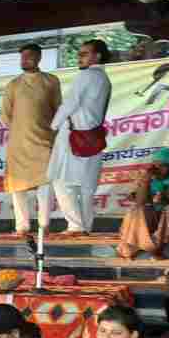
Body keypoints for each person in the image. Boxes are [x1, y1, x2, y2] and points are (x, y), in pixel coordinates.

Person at [47, 39, 112, 236]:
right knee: (86, 187)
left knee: (62, 182)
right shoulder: (104, 78)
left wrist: (53, 127)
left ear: (97, 56)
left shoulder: (87, 75)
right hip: (93, 136)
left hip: (76, 135)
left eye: (84, 53)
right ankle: (85, 227)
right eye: (80, 53)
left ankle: (75, 226)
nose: (79, 57)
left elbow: (70, 104)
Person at [1, 44, 62, 237]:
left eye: (28, 56)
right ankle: (22, 227)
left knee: (44, 185)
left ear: (39, 58)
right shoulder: (13, 84)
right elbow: (6, 116)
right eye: (22, 57)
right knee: (17, 187)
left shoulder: (51, 81)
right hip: (18, 144)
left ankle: (44, 225)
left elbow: (58, 110)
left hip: (44, 140)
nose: (24, 60)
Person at [117, 147, 169, 259]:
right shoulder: (151, 178)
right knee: (136, 209)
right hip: (155, 219)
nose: (157, 169)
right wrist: (146, 181)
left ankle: (157, 248)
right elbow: (140, 202)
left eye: (162, 165)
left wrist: (165, 201)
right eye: (154, 165)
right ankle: (139, 245)